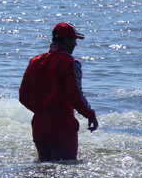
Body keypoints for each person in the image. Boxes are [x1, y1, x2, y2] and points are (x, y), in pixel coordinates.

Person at [19, 22, 99, 162]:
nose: (75, 44)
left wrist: (42, 110)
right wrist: (90, 115)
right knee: (64, 170)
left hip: (39, 124)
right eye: (74, 40)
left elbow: (23, 96)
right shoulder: (70, 63)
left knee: (43, 168)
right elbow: (76, 97)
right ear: (67, 40)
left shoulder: (35, 61)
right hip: (62, 124)